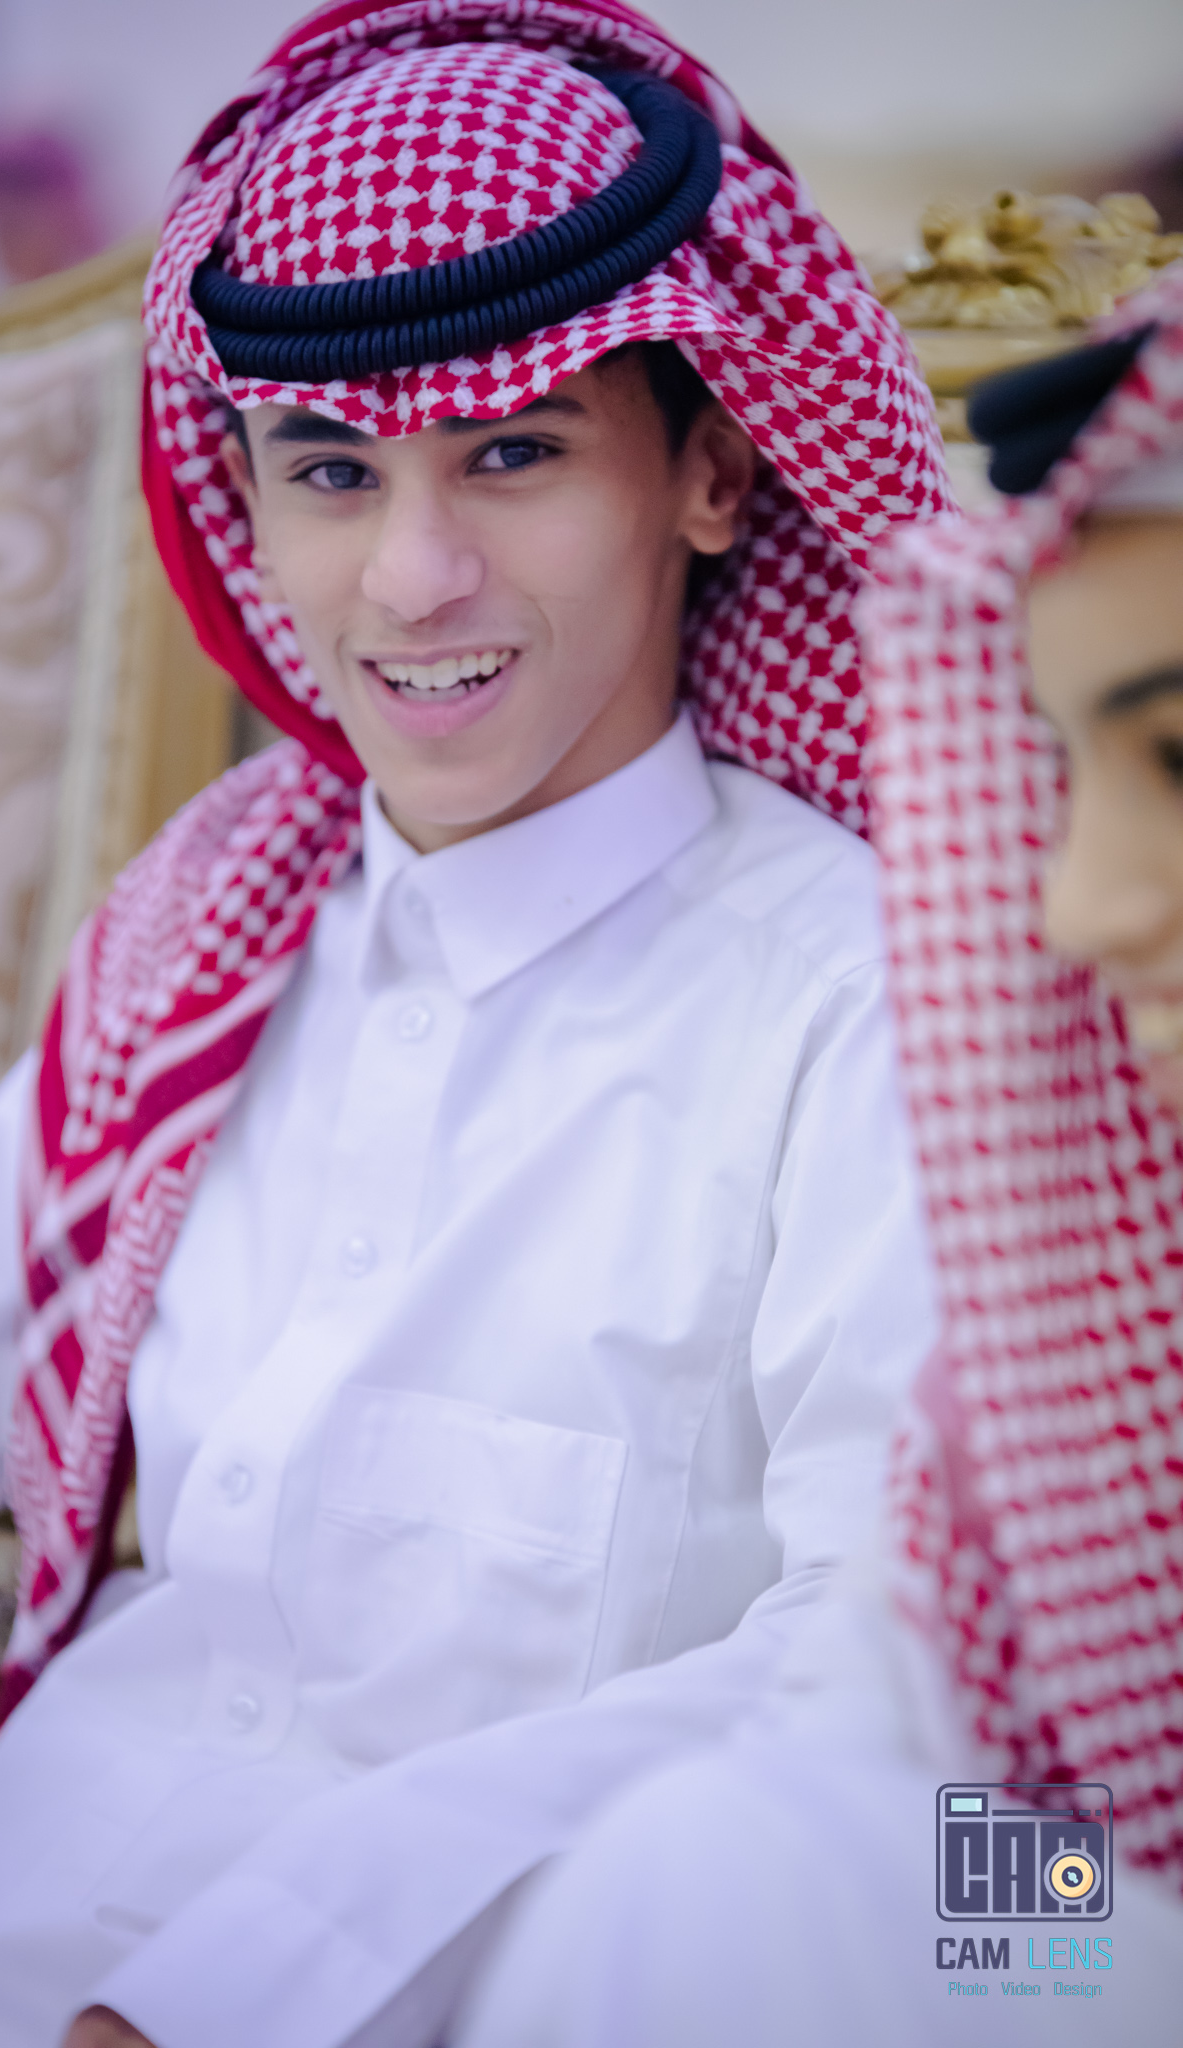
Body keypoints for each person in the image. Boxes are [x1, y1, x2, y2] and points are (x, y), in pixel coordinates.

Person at [0, 2, 951, 2043]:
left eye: (512, 453)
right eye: (332, 471)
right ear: (246, 507)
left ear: (706, 472)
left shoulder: (863, 999)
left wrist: (251, 1980)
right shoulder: (209, 938)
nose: (413, 576)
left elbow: (890, 1677)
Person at [456, 271, 1183, 2048]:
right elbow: (907, 1762)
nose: (1079, 908)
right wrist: (1001, 1948)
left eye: (1176, 759)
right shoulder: (1088, 1345)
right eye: (1060, 767)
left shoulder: (816, 970)